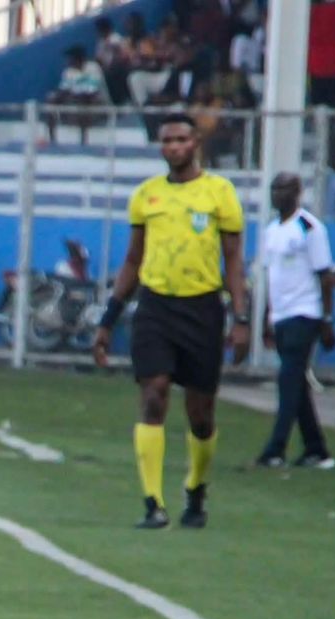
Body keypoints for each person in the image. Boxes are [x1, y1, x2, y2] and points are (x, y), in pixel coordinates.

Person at [93, 113, 250, 529]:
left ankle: (196, 488)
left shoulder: (220, 193)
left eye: (181, 138)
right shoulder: (147, 196)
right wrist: (108, 319)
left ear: (196, 142)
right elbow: (133, 258)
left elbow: (234, 259)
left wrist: (242, 317)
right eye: (167, 141)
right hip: (156, 307)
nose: (174, 147)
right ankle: (152, 502)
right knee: (154, 393)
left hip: (202, 309)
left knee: (201, 414)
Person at [255, 173, 335, 469]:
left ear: (298, 192)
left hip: (305, 314)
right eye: (274, 188)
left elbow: (325, 277)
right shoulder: (272, 229)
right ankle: (317, 449)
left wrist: (327, 320)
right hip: (281, 314)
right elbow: (270, 275)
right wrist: (267, 315)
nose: (278, 194)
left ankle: (275, 449)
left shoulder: (309, 227)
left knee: (288, 379)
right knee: (296, 383)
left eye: (284, 188)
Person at [45, 46, 107, 144]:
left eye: (71, 59)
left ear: (78, 59)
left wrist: (73, 91)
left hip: (96, 103)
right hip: (74, 100)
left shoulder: (93, 67)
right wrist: (57, 95)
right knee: (52, 99)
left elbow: (92, 89)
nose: (68, 62)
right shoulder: (68, 72)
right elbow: (64, 88)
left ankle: (83, 139)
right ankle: (52, 138)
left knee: (82, 99)